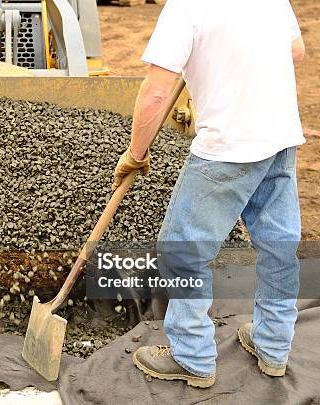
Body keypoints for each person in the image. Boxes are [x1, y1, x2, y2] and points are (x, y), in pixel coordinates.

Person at [111, 0, 306, 388]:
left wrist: (135, 153)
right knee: (279, 246)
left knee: (182, 251)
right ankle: (273, 347)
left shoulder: (185, 7)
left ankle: (192, 356)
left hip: (227, 149)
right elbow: (295, 50)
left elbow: (155, 94)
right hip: (280, 138)